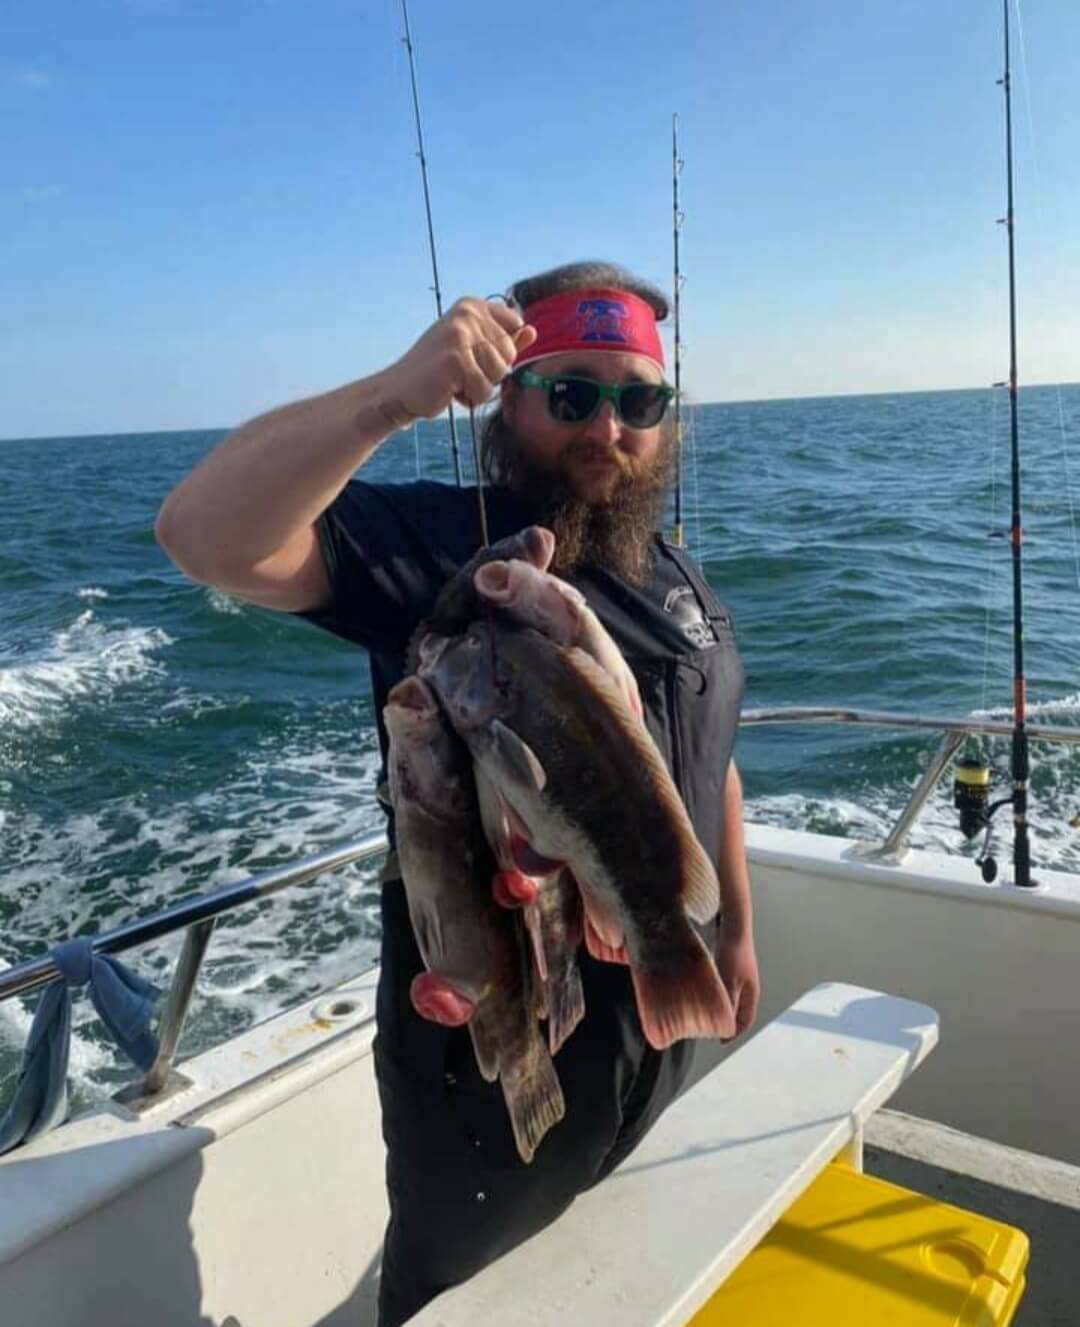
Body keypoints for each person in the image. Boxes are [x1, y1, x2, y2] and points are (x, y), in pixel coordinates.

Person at [156, 260, 760, 1326]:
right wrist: (391, 395)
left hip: (657, 1036)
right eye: (571, 395)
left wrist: (738, 931)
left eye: (638, 400)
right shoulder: (445, 553)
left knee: (611, 1283)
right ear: (507, 401)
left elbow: (711, 764)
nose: (606, 429)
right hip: (496, 1051)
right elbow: (205, 536)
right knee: (461, 1307)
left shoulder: (678, 577)